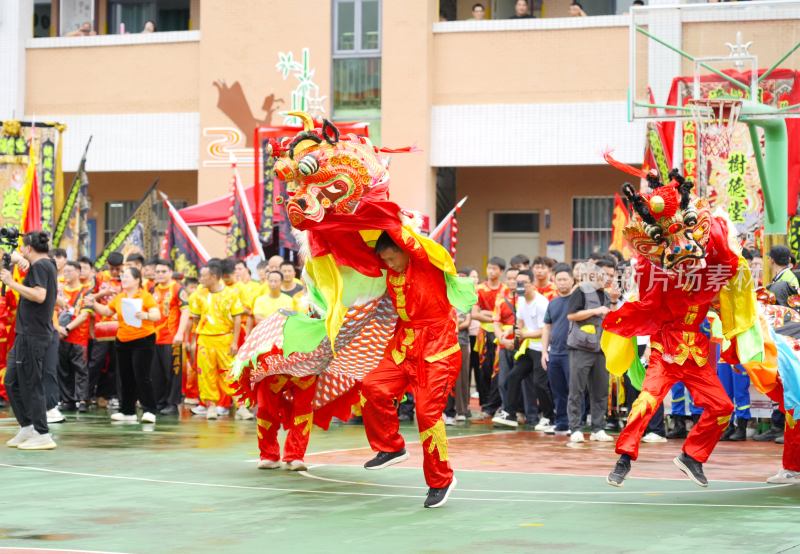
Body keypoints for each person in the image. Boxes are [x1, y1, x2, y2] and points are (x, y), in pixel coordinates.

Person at [361, 232, 465, 508]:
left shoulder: (424, 262)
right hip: (404, 345)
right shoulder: (389, 270)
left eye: (393, 257)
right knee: (371, 385)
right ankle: (391, 446)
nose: (390, 264)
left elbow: (406, 237)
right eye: (385, 259)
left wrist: (390, 220)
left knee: (426, 413)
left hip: (437, 348)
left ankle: (440, 480)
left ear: (405, 250)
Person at [3, 231, 59, 450]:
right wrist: (16, 260)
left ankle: (42, 433)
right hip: (26, 332)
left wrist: (10, 282)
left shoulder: (41, 266)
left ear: (28, 249)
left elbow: (39, 295)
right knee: (12, 380)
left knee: (30, 383)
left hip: (34, 333)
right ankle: (27, 426)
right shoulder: (46, 263)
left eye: (22, 248)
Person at [88, 267, 160, 424]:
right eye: (123, 276)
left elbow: (156, 314)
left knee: (142, 376)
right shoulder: (119, 297)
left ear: (137, 280)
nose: (123, 279)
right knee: (125, 377)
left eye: (127, 276)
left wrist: (146, 315)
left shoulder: (145, 296)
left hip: (143, 339)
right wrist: (93, 304)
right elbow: (107, 311)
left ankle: (149, 410)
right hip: (123, 339)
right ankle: (127, 411)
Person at [492, 269, 553, 429]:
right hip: (529, 347)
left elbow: (545, 330)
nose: (519, 286)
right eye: (517, 283)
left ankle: (548, 417)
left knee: (540, 384)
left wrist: (524, 334)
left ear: (532, 284)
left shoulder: (541, 303)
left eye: (523, 283)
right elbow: (519, 323)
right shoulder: (521, 300)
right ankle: (510, 414)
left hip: (543, 348)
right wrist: (509, 331)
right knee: (513, 376)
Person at [188, 260, 243, 420]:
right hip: (205, 340)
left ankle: (240, 405)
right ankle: (210, 406)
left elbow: (237, 318)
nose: (201, 279)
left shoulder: (231, 293)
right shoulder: (198, 294)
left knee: (230, 373)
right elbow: (195, 319)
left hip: (224, 338)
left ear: (214, 276)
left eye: (204, 276)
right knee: (206, 374)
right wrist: (193, 340)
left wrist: (234, 341)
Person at [566, 263, 614, 443]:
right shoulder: (581, 291)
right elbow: (571, 315)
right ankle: (575, 428)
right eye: (606, 274)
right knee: (577, 389)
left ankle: (598, 428)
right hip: (581, 347)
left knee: (601, 390)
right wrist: (595, 310)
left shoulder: (608, 296)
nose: (609, 278)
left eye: (612, 275)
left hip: (602, 348)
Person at [151, 259, 190, 416]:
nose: (160, 274)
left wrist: (180, 333)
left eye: (163, 271)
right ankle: (159, 402)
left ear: (170, 272)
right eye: (158, 272)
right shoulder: (153, 289)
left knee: (173, 372)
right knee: (156, 373)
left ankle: (172, 404)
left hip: (172, 338)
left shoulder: (178, 289)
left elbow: (186, 312)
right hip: (154, 337)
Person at [540, 263, 574, 435]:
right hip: (555, 353)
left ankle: (575, 423)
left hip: (572, 353)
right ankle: (561, 422)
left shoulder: (578, 300)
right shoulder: (552, 303)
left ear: (572, 280)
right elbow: (547, 327)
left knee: (573, 389)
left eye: (565, 279)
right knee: (557, 389)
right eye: (558, 280)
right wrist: (544, 351)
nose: (561, 283)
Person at [55, 261, 93, 413]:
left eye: (69, 271)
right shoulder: (59, 291)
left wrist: (67, 328)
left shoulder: (86, 292)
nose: (66, 275)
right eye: (65, 272)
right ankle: (67, 399)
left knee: (81, 369)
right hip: (61, 336)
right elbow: (53, 310)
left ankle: (83, 399)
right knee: (63, 369)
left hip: (79, 336)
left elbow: (84, 315)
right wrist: (58, 328)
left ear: (78, 272)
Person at [472, 257, 507, 417]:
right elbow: (474, 314)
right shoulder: (479, 288)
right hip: (484, 334)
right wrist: (494, 317)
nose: (491, 271)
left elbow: (505, 315)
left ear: (501, 271)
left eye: (495, 268)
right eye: (489, 268)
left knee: (498, 369)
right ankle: (485, 404)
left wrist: (487, 314)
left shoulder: (505, 290)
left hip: (500, 333)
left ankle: (496, 404)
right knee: (483, 369)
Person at [89, 252, 124, 409]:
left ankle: (109, 395)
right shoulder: (99, 277)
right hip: (101, 327)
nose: (115, 272)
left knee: (115, 365)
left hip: (120, 328)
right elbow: (88, 297)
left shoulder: (126, 278)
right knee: (97, 362)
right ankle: (87, 395)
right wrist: (102, 293)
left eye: (118, 269)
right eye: (112, 269)